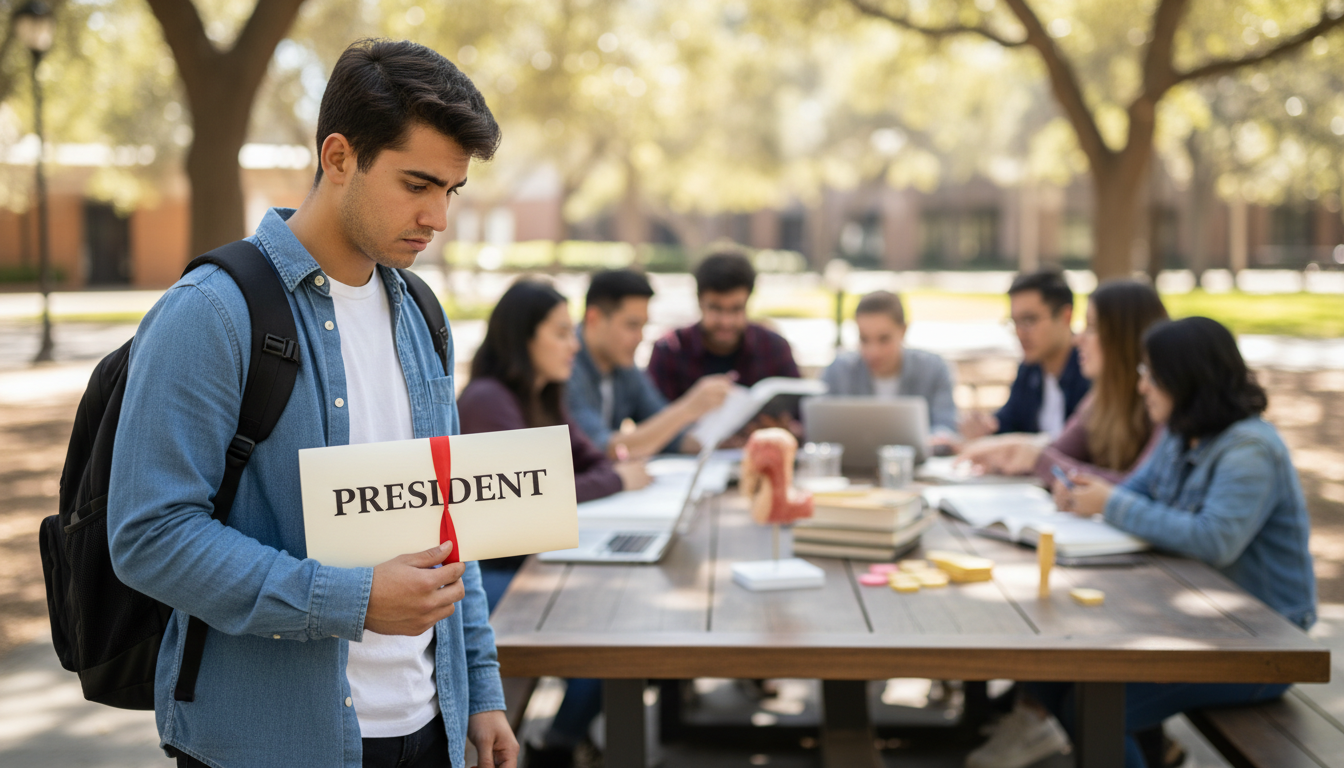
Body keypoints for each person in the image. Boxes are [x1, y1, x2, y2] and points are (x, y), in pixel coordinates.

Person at [107, 40, 517, 768]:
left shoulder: (422, 315)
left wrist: (479, 690)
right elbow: (150, 536)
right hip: (273, 743)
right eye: (416, 184)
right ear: (337, 157)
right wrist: (350, 600)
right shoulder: (211, 312)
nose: (438, 217)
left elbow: (453, 517)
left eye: (449, 191)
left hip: (431, 728)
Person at [970, 317, 1316, 768]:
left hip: (1260, 644)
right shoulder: (1181, 433)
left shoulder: (1248, 449)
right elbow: (1134, 493)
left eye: (1150, 375)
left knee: (1094, 707)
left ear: (1185, 378)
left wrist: (1108, 502)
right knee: (1050, 675)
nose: (1141, 387)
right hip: (1199, 624)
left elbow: (1214, 540)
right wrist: (1081, 487)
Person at [458, 279, 646, 768]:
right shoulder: (487, 400)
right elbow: (533, 503)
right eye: (562, 332)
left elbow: (593, 466)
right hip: (492, 576)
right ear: (524, 337)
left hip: (540, 560)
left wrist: (603, 479)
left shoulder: (546, 395)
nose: (575, 344)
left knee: (624, 616)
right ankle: (558, 747)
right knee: (606, 629)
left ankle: (557, 744)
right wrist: (613, 481)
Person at [960, 279, 1169, 485]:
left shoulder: (1164, 405)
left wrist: (1035, 458)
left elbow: (1140, 488)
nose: (1078, 339)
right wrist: (1003, 453)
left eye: (1092, 328)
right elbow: (1056, 453)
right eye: (1015, 322)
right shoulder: (1099, 399)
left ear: (1125, 338)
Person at [567, 269, 734, 458]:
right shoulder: (565, 366)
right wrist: (688, 408)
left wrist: (730, 441)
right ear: (594, 318)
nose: (639, 337)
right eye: (631, 325)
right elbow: (601, 448)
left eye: (643, 326)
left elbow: (670, 435)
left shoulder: (624, 367)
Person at [646, 250, 801, 403]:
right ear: (699, 301)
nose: (726, 322)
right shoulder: (669, 351)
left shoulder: (774, 348)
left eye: (736, 309)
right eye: (716, 308)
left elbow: (800, 414)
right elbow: (650, 421)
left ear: (748, 302)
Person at [962, 269, 1089, 440]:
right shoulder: (1030, 370)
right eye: (1015, 322)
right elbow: (1007, 423)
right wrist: (985, 428)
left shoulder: (1088, 371)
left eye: (1029, 320)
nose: (1020, 332)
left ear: (1065, 317)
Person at [821, 290, 958, 436]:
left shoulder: (933, 369)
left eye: (884, 339)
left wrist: (937, 441)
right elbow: (820, 425)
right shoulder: (838, 370)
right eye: (864, 339)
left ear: (903, 331)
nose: (873, 352)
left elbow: (946, 426)